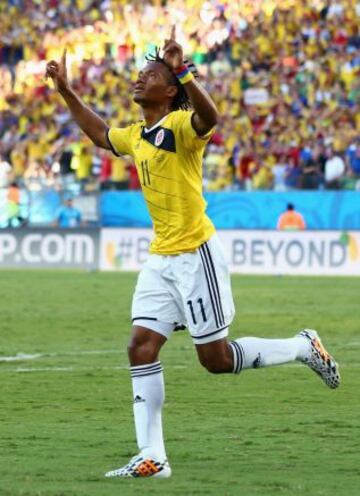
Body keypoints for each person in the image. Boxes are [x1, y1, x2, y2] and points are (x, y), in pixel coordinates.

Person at [46, 26, 340, 480]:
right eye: (140, 74)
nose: (138, 80)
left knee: (216, 361)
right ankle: (153, 457)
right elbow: (102, 135)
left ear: (169, 90)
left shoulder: (181, 127)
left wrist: (183, 69)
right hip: (160, 258)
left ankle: (302, 346)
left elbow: (211, 115)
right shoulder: (138, 134)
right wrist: (66, 92)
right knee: (140, 346)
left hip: (195, 253)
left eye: (148, 74)